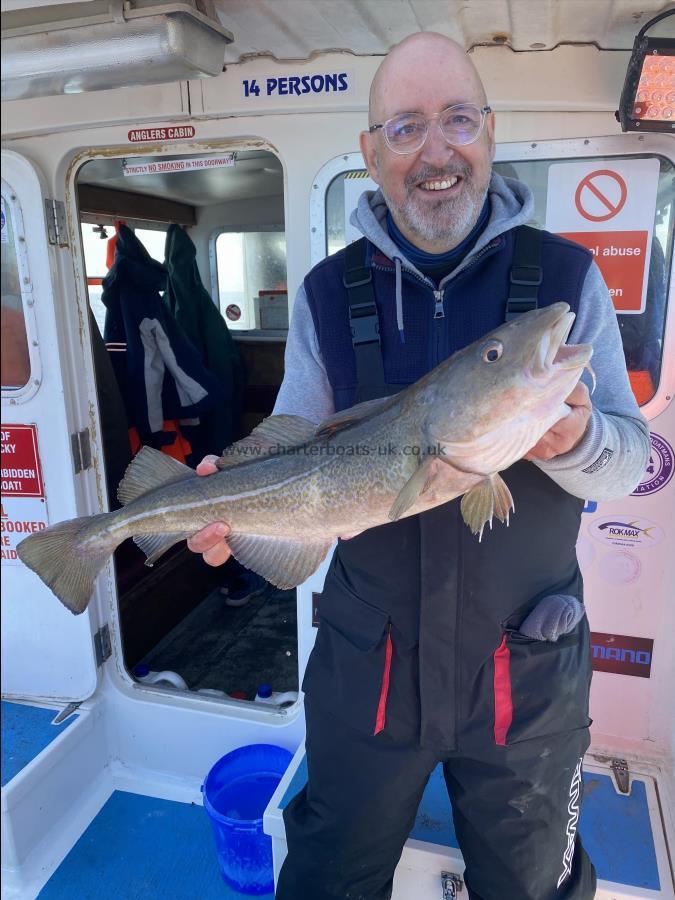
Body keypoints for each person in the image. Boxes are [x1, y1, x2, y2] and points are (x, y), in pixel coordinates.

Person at [188, 33, 650, 900]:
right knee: (326, 881)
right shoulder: (326, 293)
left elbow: (633, 461)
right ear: (369, 153)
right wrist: (233, 490)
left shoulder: (565, 280)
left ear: (489, 131)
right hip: (369, 669)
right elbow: (293, 431)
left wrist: (577, 440)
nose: (435, 151)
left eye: (457, 120)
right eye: (403, 128)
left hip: (526, 675)